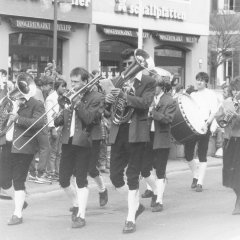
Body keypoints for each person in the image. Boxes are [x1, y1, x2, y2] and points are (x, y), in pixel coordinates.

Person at [105, 48, 156, 233]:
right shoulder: (118, 81)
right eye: (126, 64)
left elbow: (145, 103)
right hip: (119, 131)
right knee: (115, 176)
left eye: (131, 63)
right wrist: (109, 100)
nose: (128, 67)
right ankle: (135, 206)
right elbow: (108, 110)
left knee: (133, 176)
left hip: (137, 133)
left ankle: (130, 218)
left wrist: (124, 96)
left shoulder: (149, 81)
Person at [54, 67, 105, 228]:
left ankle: (81, 215)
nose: (73, 85)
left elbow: (90, 118)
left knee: (81, 179)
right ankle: (76, 203)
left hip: (84, 142)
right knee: (63, 180)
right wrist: (58, 116)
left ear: (85, 81)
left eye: (76, 82)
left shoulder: (96, 97)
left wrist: (76, 103)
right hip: (67, 141)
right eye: (72, 81)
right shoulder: (70, 95)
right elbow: (63, 118)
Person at [1, 73, 45, 225]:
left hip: (23, 146)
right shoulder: (10, 102)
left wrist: (18, 118)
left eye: (20, 87)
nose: (17, 90)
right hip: (7, 145)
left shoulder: (36, 104)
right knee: (3, 180)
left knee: (18, 180)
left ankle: (17, 214)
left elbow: (39, 123)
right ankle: (20, 200)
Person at [184, 72, 219, 192]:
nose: (198, 82)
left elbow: (214, 111)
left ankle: (200, 182)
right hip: (192, 125)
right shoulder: (192, 94)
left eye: (201, 80)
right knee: (188, 154)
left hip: (205, 124)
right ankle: (195, 175)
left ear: (206, 82)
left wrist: (207, 123)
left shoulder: (211, 94)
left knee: (202, 153)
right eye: (197, 79)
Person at [215, 78, 240, 215]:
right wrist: (222, 117)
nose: (236, 92)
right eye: (234, 89)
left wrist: (238, 116)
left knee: (238, 173)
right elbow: (219, 118)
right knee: (229, 173)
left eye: (238, 89)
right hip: (229, 140)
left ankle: (239, 202)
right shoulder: (227, 102)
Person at [28, 76, 51, 184]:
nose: (49, 88)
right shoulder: (38, 92)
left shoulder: (30, 91)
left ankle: (32, 173)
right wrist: (45, 124)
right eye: (48, 86)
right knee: (45, 148)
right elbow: (41, 109)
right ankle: (41, 174)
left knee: (33, 148)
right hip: (40, 124)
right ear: (43, 85)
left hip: (31, 123)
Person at [45, 78, 67, 180]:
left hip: (61, 127)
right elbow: (49, 114)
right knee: (52, 151)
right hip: (54, 127)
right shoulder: (51, 98)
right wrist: (53, 128)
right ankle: (50, 172)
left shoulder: (62, 97)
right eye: (63, 86)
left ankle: (58, 172)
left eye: (65, 86)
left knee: (59, 152)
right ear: (57, 87)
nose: (65, 88)